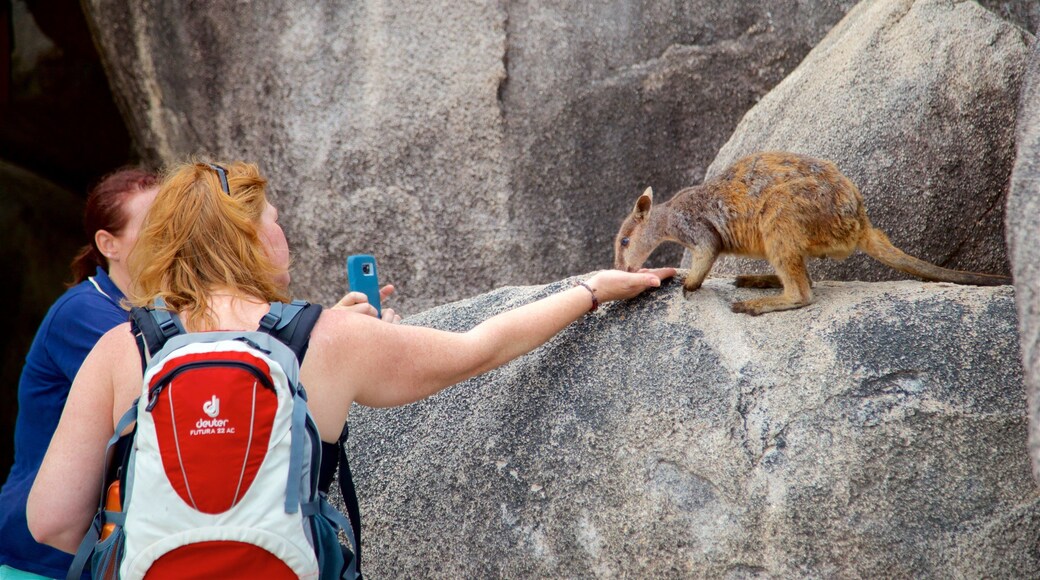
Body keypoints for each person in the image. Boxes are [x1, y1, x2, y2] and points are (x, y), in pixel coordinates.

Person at [25, 160, 675, 563]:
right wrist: (591, 290)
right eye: (275, 221)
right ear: (250, 236)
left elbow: (51, 520)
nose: (284, 233)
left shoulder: (123, 345)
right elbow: (482, 348)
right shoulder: (327, 338)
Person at [0, 168, 159, 580]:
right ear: (109, 244)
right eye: (155, 225)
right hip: (46, 555)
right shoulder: (86, 312)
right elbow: (166, 393)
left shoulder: (149, 313)